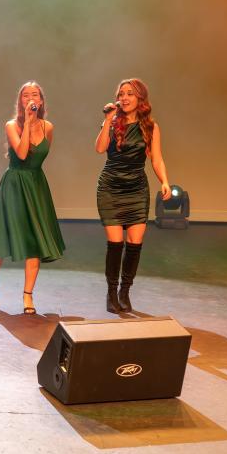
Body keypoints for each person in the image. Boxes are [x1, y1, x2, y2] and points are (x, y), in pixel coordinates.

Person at [0, 82, 65, 313]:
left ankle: (28, 296)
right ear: (20, 101)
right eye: (26, 95)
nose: (30, 98)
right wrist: (27, 123)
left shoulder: (48, 127)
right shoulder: (11, 125)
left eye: (35, 94)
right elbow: (21, 152)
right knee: (2, 241)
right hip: (15, 186)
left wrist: (35, 124)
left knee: (34, 244)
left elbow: (40, 157)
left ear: (41, 100)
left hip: (36, 187)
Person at [95, 78, 171, 314]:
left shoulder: (150, 127)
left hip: (137, 189)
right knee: (115, 244)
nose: (124, 98)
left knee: (134, 245)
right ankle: (111, 292)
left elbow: (156, 158)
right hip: (111, 187)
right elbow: (99, 149)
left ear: (140, 98)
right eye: (121, 94)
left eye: (130, 94)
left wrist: (165, 181)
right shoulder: (112, 122)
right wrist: (107, 120)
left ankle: (124, 292)